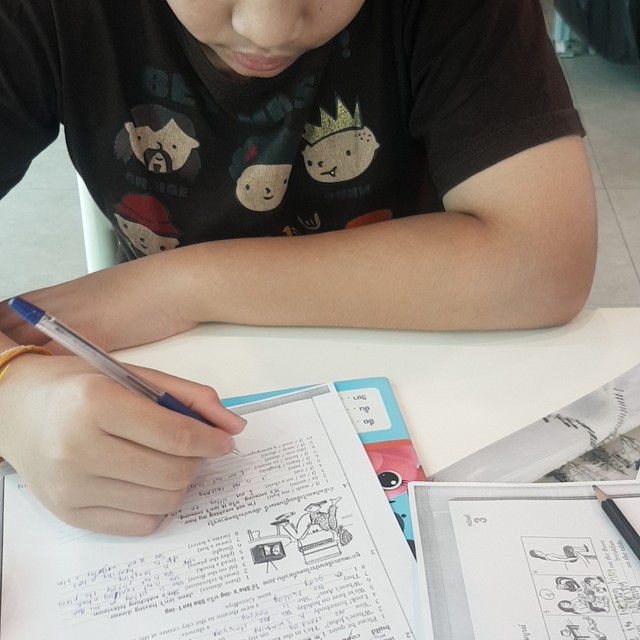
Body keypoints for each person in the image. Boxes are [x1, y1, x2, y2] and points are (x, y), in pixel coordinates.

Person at [0, 0, 597, 535]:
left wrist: (177, 285)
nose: (268, 30)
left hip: (420, 365)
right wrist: (12, 395)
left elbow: (542, 263)